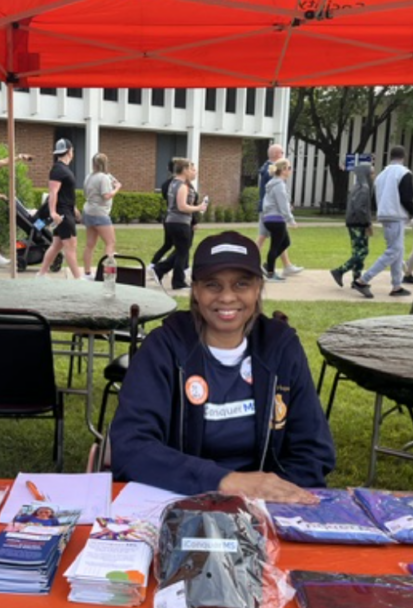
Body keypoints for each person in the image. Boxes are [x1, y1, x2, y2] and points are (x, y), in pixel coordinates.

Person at [111, 231, 335, 501]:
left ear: (258, 288)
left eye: (241, 284)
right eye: (213, 285)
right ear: (195, 289)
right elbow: (130, 446)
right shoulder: (165, 347)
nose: (227, 298)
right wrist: (224, 482)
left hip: (266, 511)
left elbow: (313, 450)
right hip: (176, 501)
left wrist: (269, 503)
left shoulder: (280, 347)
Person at [352, 145, 413, 299]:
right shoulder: (404, 173)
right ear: (404, 156)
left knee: (397, 251)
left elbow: (375, 198)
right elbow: (407, 197)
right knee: (394, 251)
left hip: (384, 214)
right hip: (396, 214)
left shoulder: (381, 175)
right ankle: (363, 280)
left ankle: (396, 285)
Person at [151, 158, 208, 290]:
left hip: (172, 221)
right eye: (190, 169)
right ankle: (177, 281)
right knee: (182, 253)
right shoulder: (182, 186)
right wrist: (198, 207)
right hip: (180, 222)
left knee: (180, 251)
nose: (192, 172)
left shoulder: (173, 184)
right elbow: (182, 206)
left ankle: (159, 270)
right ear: (184, 170)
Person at [36, 138, 84, 279]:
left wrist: (74, 208)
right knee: (71, 246)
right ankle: (78, 279)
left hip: (67, 211)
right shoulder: (58, 169)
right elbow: (53, 192)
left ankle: (41, 274)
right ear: (69, 151)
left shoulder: (63, 169)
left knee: (56, 245)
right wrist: (53, 212)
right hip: (62, 214)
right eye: (73, 150)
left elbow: (64, 192)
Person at [257, 144, 303, 276]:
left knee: (281, 240)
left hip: (272, 212)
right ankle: (259, 265)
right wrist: (289, 215)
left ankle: (285, 265)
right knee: (265, 238)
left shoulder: (269, 168)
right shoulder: (270, 169)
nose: (290, 170)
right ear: (277, 154)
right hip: (272, 213)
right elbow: (277, 189)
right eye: (282, 152)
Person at [330, 162, 374, 288]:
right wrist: (368, 224)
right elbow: (361, 209)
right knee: (362, 251)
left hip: (353, 222)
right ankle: (340, 271)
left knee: (357, 251)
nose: (373, 175)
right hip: (358, 223)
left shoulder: (356, 187)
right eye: (371, 172)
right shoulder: (364, 188)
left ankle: (357, 278)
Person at [81, 152, 122, 276]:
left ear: (93, 164)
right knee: (110, 243)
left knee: (90, 245)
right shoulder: (103, 178)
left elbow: (85, 194)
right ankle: (108, 273)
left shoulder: (89, 176)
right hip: (100, 214)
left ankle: (87, 273)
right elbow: (106, 195)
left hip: (88, 212)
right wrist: (117, 188)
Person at [260, 159, 297, 282]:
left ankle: (268, 266)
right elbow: (283, 206)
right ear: (283, 170)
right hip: (276, 219)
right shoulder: (279, 185)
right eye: (289, 168)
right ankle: (270, 273)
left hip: (271, 218)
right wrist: (290, 219)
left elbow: (274, 202)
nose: (291, 170)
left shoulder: (274, 183)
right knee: (275, 246)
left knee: (285, 242)